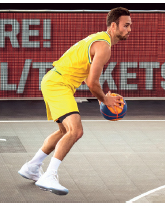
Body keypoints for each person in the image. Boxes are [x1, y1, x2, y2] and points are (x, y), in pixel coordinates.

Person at [18, 7, 132, 195]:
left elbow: (89, 79)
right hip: (58, 84)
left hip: (54, 81)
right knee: (76, 131)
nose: (129, 29)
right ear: (113, 25)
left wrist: (102, 98)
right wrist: (104, 99)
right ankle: (49, 175)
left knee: (64, 131)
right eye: (126, 25)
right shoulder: (104, 47)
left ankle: (32, 167)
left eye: (130, 25)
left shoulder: (98, 38)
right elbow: (92, 83)